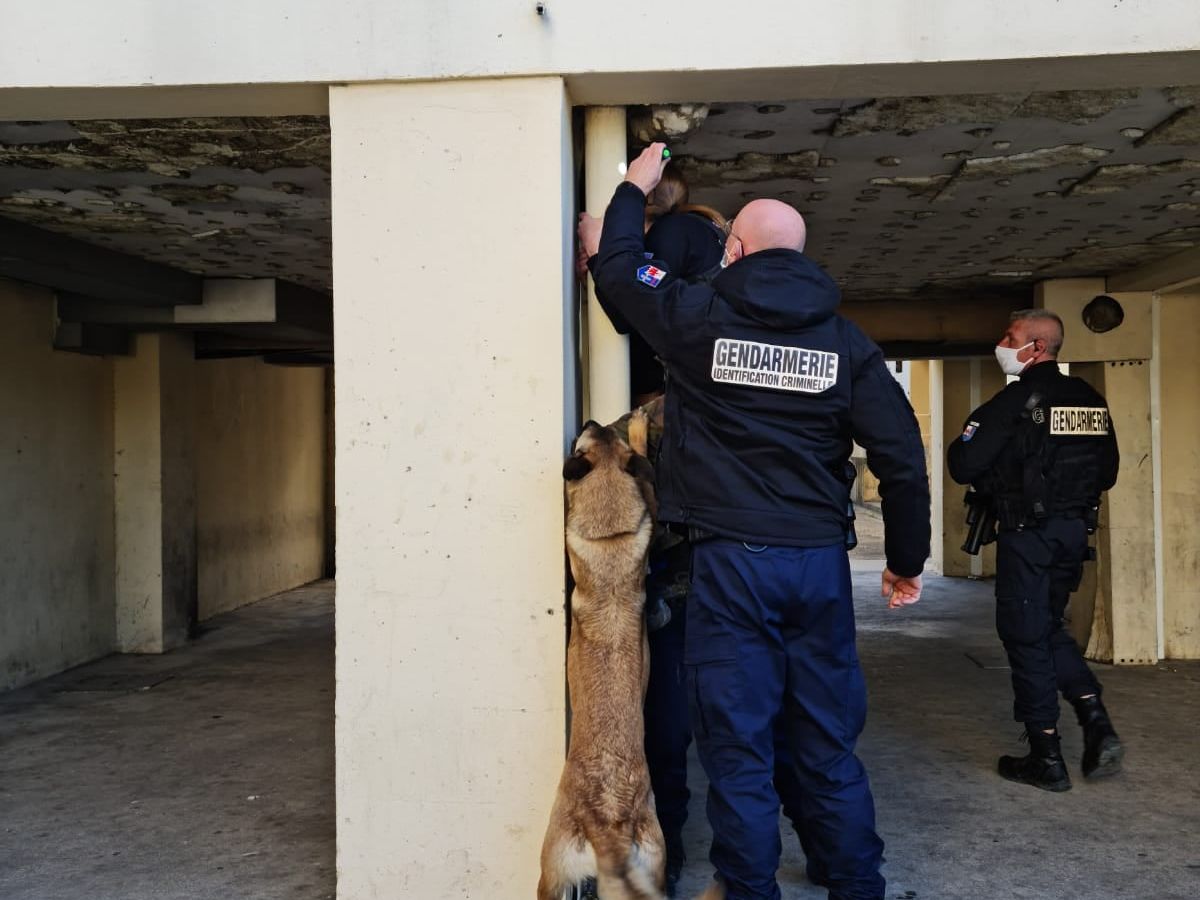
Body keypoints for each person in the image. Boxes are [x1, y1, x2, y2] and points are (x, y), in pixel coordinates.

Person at [580, 143, 930, 900]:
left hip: (730, 568)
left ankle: (749, 889)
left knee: (737, 750)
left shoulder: (696, 313)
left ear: (733, 248)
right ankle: (856, 885)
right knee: (828, 746)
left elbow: (618, 270)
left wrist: (631, 190)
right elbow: (901, 456)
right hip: (817, 567)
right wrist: (906, 560)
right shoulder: (846, 344)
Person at [589, 169, 817, 897]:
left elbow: (630, 283)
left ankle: (695, 863)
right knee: (784, 722)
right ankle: (828, 854)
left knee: (683, 728)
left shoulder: (678, 378)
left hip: (699, 576)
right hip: (789, 560)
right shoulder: (808, 341)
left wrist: (617, 220)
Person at [947, 310, 1122, 792]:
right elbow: (1107, 472)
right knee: (1046, 625)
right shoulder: (1091, 400)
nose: (1002, 343)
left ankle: (1046, 757)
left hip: (1029, 535)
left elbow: (963, 462)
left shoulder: (1014, 401)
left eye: (1011, 337)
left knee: (1025, 635)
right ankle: (1095, 718)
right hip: (1072, 534)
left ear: (1037, 349)